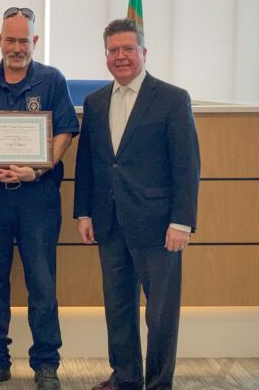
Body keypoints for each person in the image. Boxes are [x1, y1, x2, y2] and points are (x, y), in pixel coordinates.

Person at [0, 7, 79, 390]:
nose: (17, 47)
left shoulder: (52, 80)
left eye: (24, 40)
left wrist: (39, 168)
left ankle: (46, 364)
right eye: (11, 39)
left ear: (34, 41)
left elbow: (64, 133)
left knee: (42, 283)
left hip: (38, 198)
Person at [73, 19, 200, 390]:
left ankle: (159, 383)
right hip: (110, 223)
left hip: (159, 227)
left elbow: (186, 164)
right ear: (106, 56)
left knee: (160, 315)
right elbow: (89, 162)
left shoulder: (173, 98)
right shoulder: (95, 102)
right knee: (119, 309)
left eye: (128, 48)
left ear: (144, 52)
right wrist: (84, 211)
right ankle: (126, 378)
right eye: (113, 50)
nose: (121, 56)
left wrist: (182, 221)